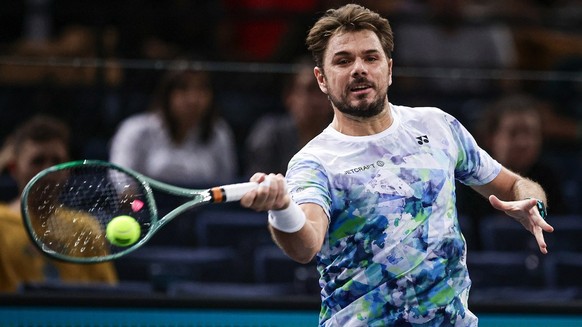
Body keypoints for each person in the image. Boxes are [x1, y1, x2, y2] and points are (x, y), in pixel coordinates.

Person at [239, 4, 553, 326]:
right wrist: (281, 208)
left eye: (370, 58)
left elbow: (515, 185)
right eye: (343, 60)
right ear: (322, 79)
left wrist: (532, 203)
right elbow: (305, 244)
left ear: (389, 69)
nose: (358, 69)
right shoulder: (313, 162)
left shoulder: (437, 126)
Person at [0, 115, 117, 293]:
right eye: (38, 161)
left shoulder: (87, 228)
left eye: (57, 162)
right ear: (14, 168)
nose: (49, 170)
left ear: (68, 170)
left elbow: (107, 298)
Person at [456, 94, 567, 250]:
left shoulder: (549, 177)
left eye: (530, 132)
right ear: (491, 138)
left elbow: (562, 236)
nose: (522, 142)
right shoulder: (470, 179)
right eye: (513, 133)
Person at [109, 67, 239, 186]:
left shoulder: (219, 132)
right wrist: (136, 206)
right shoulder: (134, 129)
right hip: (145, 209)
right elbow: (121, 183)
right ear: (167, 94)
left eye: (202, 89)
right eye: (183, 88)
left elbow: (226, 185)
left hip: (205, 211)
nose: (193, 99)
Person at [244, 56, 333, 176]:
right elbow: (259, 186)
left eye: (323, 91)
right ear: (289, 96)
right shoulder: (270, 134)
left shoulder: (342, 137)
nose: (317, 100)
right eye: (310, 89)